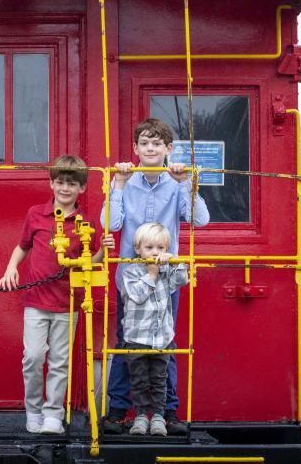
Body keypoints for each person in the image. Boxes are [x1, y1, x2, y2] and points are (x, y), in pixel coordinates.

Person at [100, 118, 210, 435]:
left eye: (157, 143)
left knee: (165, 345)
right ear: (135, 148)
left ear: (168, 149)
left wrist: (187, 182)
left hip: (165, 280)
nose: (150, 148)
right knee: (126, 344)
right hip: (131, 280)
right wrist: (118, 185)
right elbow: (111, 222)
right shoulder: (125, 180)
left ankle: (168, 413)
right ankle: (119, 411)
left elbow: (199, 219)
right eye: (144, 143)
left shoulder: (175, 184)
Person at [0, 155, 115, 435]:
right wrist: (10, 268)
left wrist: (104, 248)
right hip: (36, 300)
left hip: (67, 302)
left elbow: (92, 260)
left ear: (82, 189)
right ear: (51, 183)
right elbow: (22, 246)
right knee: (34, 356)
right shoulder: (35, 214)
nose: (65, 188)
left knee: (60, 360)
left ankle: (53, 413)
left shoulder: (85, 222)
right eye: (60, 182)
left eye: (72, 184)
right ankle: (34, 410)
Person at [120, 223, 188, 436]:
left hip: (161, 338)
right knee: (139, 379)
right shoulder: (129, 271)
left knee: (160, 379)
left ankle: (158, 417)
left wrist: (174, 263)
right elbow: (137, 295)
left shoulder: (166, 270)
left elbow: (182, 280)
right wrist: (151, 273)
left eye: (160, 248)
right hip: (137, 337)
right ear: (138, 249)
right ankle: (140, 417)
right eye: (149, 247)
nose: (155, 252)